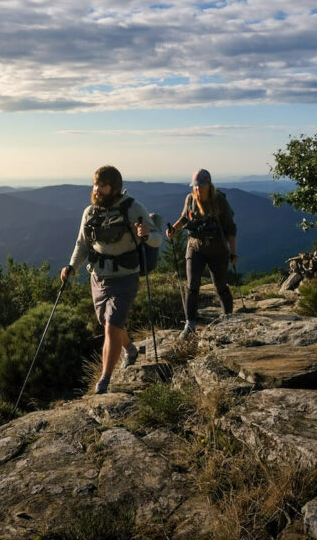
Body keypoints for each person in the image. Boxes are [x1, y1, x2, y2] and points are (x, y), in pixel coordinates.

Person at [61, 165, 161, 394]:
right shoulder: (90, 212)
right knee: (107, 323)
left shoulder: (132, 208)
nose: (97, 189)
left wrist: (146, 234)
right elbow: (83, 244)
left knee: (111, 327)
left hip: (126, 275)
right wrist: (71, 267)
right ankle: (130, 349)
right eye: (95, 184)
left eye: (103, 185)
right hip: (98, 276)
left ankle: (104, 380)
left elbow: (156, 238)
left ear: (114, 188)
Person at [165, 169, 237, 337]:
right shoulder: (190, 199)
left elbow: (230, 228)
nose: (197, 189)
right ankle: (190, 325)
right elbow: (185, 218)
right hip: (195, 247)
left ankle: (229, 318)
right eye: (195, 186)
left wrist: (233, 252)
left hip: (217, 249)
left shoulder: (219, 201)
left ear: (209, 185)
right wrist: (173, 230)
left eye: (201, 186)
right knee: (192, 285)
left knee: (220, 285)